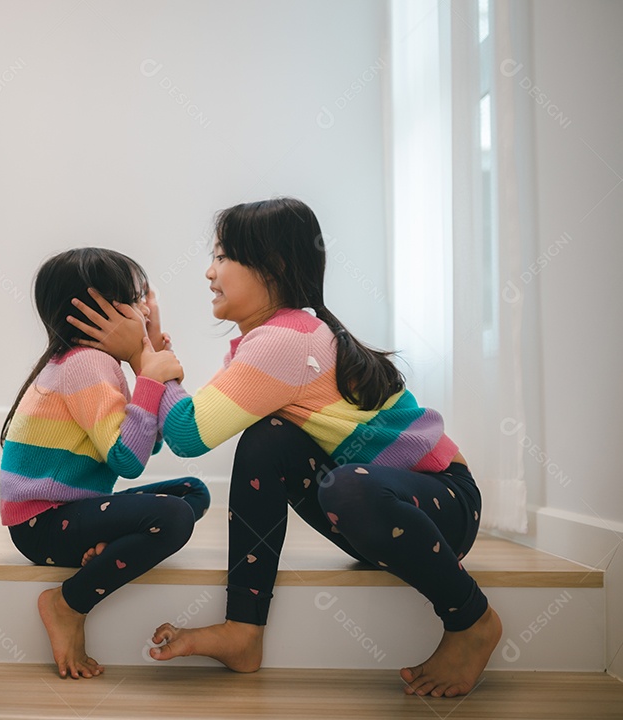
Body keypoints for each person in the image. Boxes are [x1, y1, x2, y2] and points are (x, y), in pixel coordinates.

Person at [69, 198, 502, 698]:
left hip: (444, 504)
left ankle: (473, 621)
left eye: (222, 256)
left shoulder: (286, 342)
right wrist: (153, 354)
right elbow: (185, 422)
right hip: (380, 507)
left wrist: (145, 356)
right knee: (267, 440)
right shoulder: (271, 338)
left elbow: (187, 436)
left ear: (271, 267)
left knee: (344, 486)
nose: (209, 273)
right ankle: (243, 630)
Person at [0, 247, 210, 680]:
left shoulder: (90, 362)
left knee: (192, 492)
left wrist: (144, 360)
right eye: (135, 300)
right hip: (42, 524)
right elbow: (130, 461)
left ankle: (101, 547)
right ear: (100, 311)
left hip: (69, 512)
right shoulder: (87, 364)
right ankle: (67, 602)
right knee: (173, 517)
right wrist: (149, 375)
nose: (144, 309)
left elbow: (144, 446)